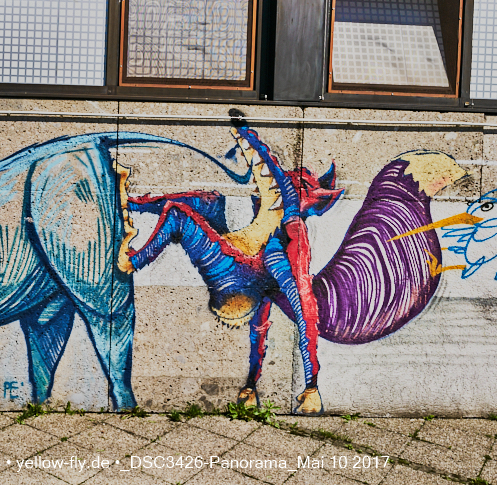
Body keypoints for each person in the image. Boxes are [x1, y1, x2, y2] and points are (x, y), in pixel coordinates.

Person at [127, 111, 341, 414]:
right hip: (242, 274)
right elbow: (274, 176)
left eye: (300, 184)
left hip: (242, 275)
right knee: (208, 202)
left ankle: (132, 261)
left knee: (180, 215)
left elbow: (306, 308)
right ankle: (253, 387)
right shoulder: (276, 233)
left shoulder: (291, 237)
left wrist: (312, 384)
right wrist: (246, 133)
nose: (292, 183)